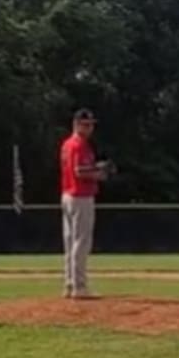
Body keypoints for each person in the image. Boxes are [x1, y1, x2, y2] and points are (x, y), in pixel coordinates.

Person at [59, 109, 113, 299]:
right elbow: (80, 172)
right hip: (80, 197)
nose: (90, 128)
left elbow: (78, 170)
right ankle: (79, 287)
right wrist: (98, 174)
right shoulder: (79, 145)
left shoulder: (67, 144)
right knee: (81, 242)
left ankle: (69, 283)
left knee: (70, 242)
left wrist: (95, 168)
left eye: (91, 124)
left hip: (67, 196)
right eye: (86, 124)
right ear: (76, 124)